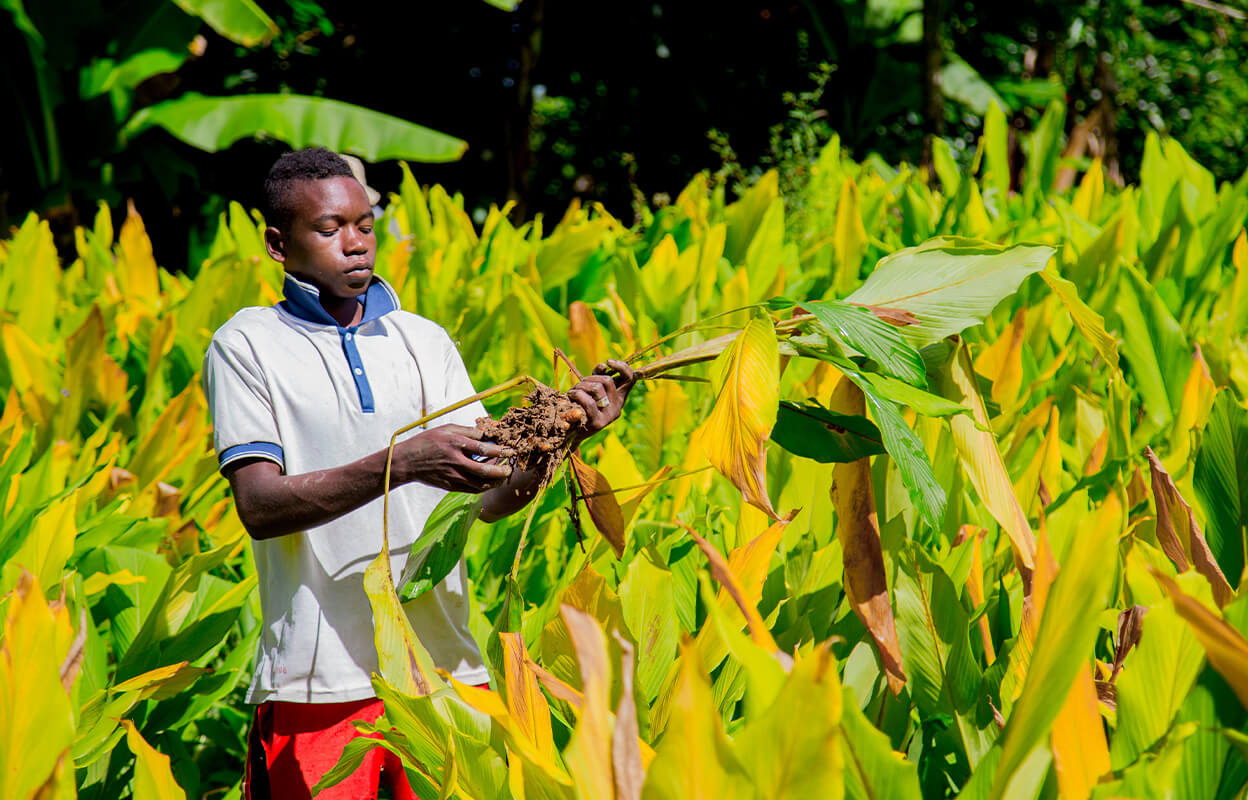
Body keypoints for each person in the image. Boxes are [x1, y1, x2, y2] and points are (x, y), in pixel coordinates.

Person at [202, 147, 633, 800]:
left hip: (447, 677)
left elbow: (486, 500)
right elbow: (259, 506)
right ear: (277, 243)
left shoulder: (423, 341)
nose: (355, 244)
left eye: (365, 225)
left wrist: (563, 435)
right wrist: (401, 463)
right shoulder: (249, 344)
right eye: (329, 229)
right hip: (320, 686)